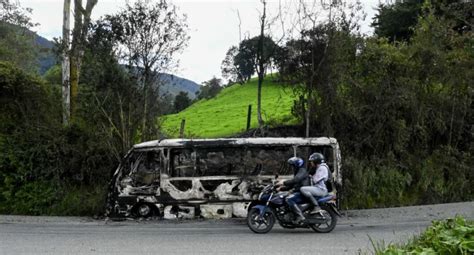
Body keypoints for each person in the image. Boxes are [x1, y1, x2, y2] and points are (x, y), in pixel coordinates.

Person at [277, 156, 310, 224]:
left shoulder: (302, 171)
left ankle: (300, 216)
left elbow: (296, 180)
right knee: (284, 197)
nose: (292, 167)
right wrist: (281, 188)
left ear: (297, 165)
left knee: (288, 199)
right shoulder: (298, 172)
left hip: (302, 193)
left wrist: (284, 182)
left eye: (293, 166)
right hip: (299, 191)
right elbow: (292, 185)